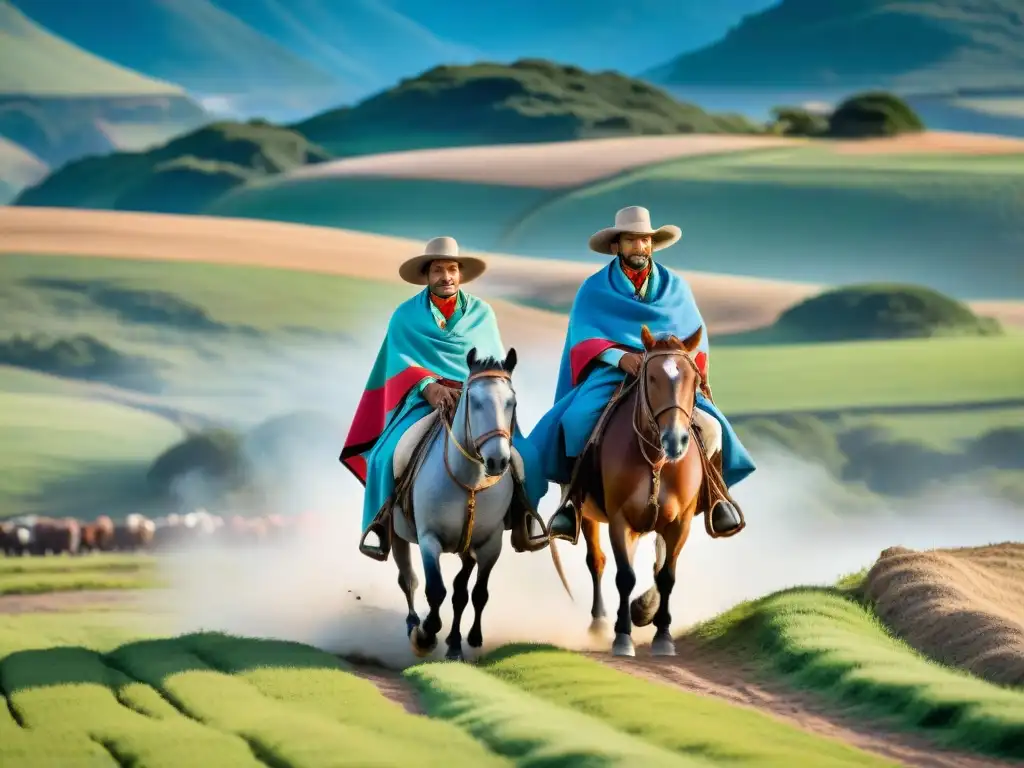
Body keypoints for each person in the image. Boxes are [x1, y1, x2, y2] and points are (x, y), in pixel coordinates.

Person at [526, 206, 756, 543]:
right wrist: (621, 358)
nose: (640, 246)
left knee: (711, 427)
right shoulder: (594, 289)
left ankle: (716, 494)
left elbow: (695, 335)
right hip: (613, 372)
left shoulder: (675, 287)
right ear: (617, 245)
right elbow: (584, 336)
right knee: (574, 420)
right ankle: (571, 502)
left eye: (645, 240)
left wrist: (677, 363)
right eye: (632, 240)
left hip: (667, 375)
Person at [339, 236, 547, 560]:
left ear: (460, 273)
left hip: (474, 401)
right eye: (438, 269)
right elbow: (398, 362)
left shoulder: (482, 314)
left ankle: (526, 519)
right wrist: (430, 386)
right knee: (385, 455)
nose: (446, 276)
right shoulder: (405, 316)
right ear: (427, 274)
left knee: (527, 456)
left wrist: (475, 393)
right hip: (421, 400)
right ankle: (380, 526)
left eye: (452, 269)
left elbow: (494, 366)